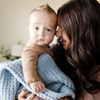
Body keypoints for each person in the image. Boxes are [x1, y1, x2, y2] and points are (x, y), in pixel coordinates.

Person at [19, 0, 100, 100]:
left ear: (82, 31)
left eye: (63, 27)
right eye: (58, 27)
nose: (57, 34)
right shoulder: (52, 51)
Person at [22, 3, 57, 93]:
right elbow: (28, 63)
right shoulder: (31, 48)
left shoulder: (47, 47)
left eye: (48, 29)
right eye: (36, 28)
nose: (41, 33)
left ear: (55, 33)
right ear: (29, 30)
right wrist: (34, 81)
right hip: (35, 85)